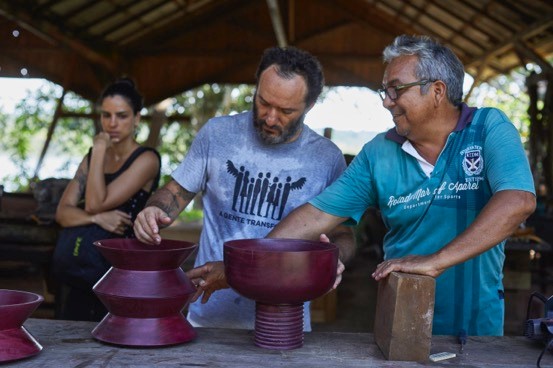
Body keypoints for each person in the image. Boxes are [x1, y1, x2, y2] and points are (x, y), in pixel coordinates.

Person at [266, 35, 537, 336]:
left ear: (437, 91)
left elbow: (518, 201)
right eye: (385, 90)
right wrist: (250, 257)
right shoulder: (379, 153)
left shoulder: (488, 128)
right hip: (400, 326)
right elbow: (316, 216)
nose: (386, 101)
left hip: (477, 329)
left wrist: (434, 262)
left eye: (396, 89)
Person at [133, 46, 356, 331]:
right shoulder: (217, 134)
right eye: (263, 102)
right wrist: (153, 210)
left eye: (286, 111)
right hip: (208, 317)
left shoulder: (327, 158)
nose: (270, 118)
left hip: (286, 321)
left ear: (309, 106)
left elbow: (343, 233)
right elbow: (176, 192)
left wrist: (333, 256)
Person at [53, 78, 161, 321]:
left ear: (137, 118)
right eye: (106, 115)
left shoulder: (147, 160)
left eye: (121, 116)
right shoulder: (91, 158)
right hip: (82, 267)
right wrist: (98, 218)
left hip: (123, 271)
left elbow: (93, 202)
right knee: (74, 336)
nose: (112, 124)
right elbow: (63, 213)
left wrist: (99, 151)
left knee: (117, 340)